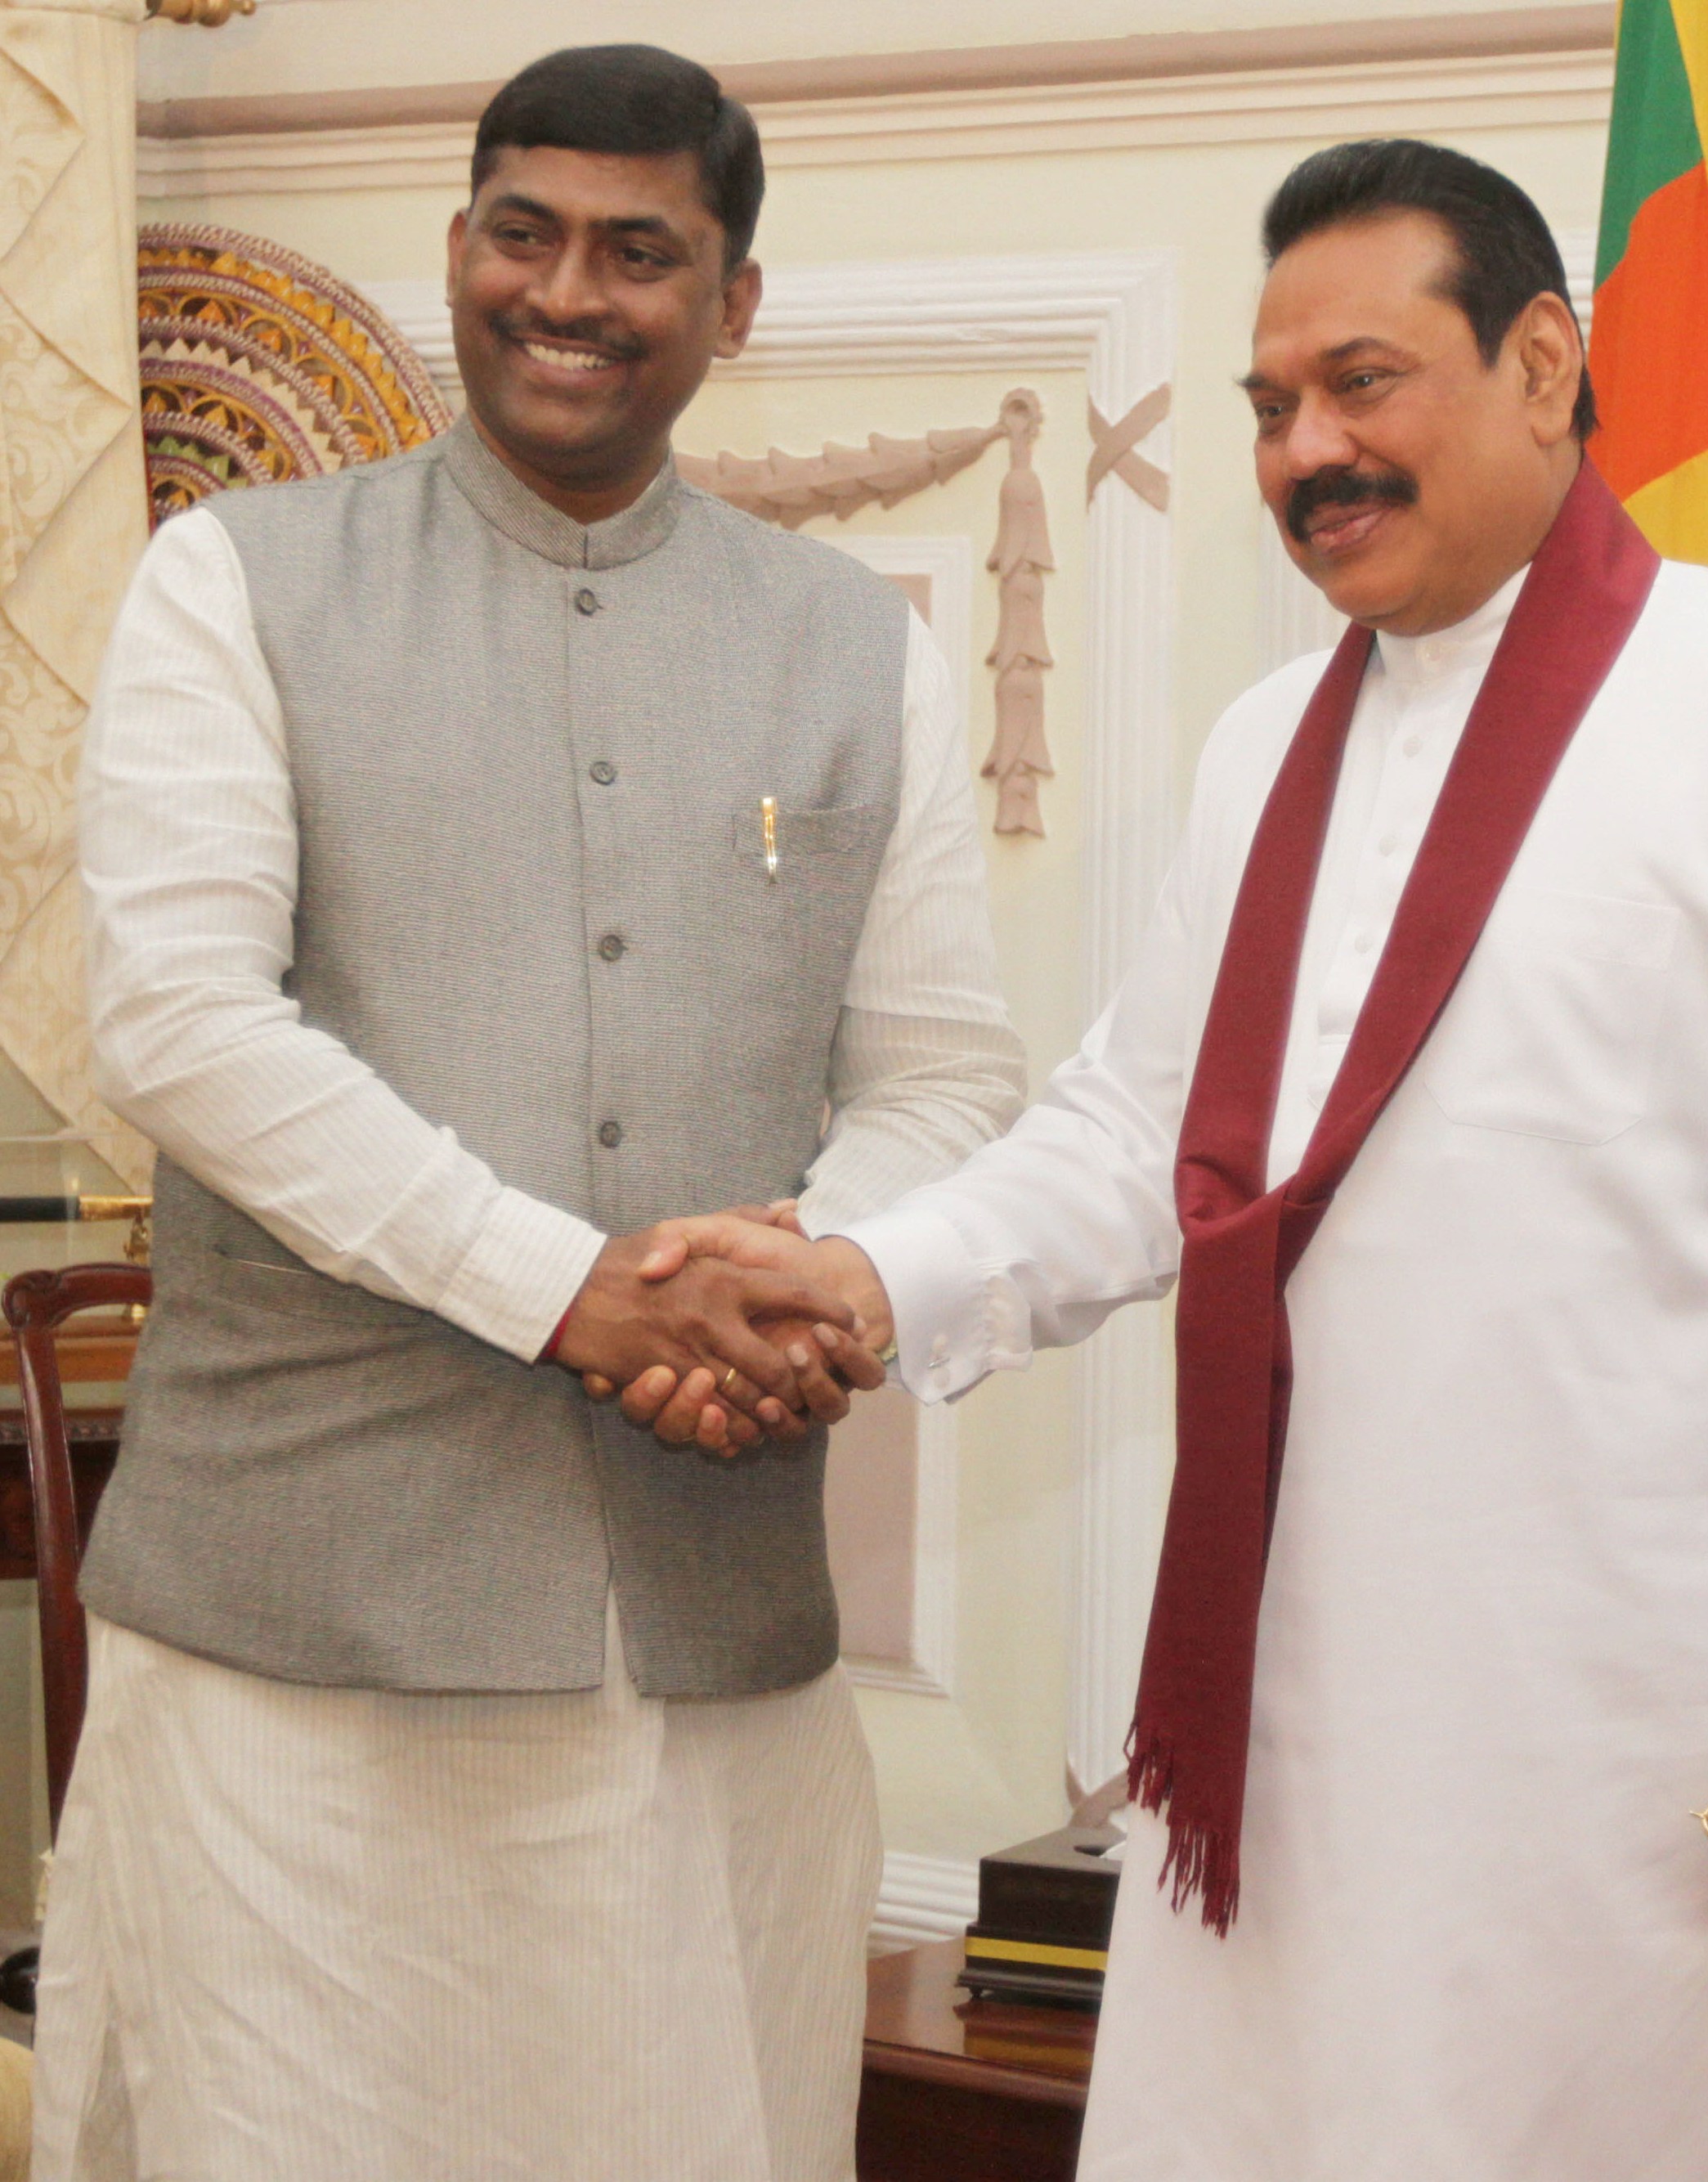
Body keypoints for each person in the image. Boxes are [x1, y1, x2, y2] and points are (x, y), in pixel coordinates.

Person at [618, 141, 1708, 2180]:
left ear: (1545, 363)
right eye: (1269, 407)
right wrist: (861, 1273)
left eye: (1363, 383)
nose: (1307, 449)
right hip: (1290, 1717)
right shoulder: (1265, 738)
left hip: (1666, 1739)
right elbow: (1147, 1138)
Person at [42, 43, 1023, 2182]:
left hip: (702, 1646)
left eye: (636, 250)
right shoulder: (241, 583)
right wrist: (568, 1289)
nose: (563, 291)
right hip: (296, 1660)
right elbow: (186, 1026)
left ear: (731, 304)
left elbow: (942, 1072)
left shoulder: (851, 645)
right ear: (460, 247)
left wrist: (810, 1271)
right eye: (520, 232)